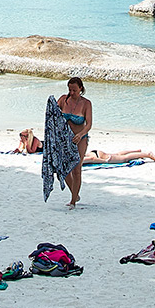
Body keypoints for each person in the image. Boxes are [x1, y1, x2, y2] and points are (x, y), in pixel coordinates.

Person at [54, 77, 92, 209]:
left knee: (76, 169)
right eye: (70, 90)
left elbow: (89, 124)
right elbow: (52, 114)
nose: (72, 92)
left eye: (74, 90)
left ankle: (73, 201)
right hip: (64, 139)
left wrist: (80, 134)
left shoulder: (86, 103)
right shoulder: (63, 99)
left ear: (81, 89)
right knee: (62, 169)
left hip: (80, 139)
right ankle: (74, 193)